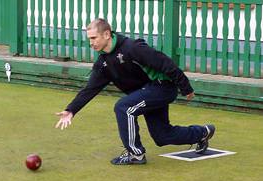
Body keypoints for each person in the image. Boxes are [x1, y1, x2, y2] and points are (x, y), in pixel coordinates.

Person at [55, 18, 215, 165]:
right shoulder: (103, 63)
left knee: (123, 107)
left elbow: (165, 62)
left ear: (106, 34)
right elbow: (90, 89)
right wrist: (71, 110)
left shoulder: (132, 47)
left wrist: (185, 87)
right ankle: (203, 132)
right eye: (89, 38)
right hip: (148, 92)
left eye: (93, 38)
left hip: (162, 86)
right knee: (162, 136)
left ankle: (135, 154)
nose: (91, 43)